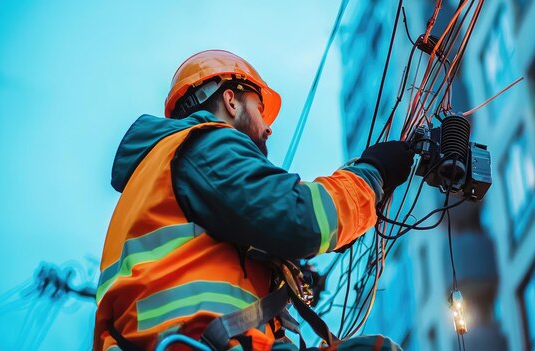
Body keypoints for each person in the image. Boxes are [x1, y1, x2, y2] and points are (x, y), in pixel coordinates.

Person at [94, 50, 414, 351]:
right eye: (259, 109)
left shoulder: (162, 173)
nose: (267, 128)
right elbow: (301, 218)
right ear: (231, 101)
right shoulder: (206, 145)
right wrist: (373, 174)